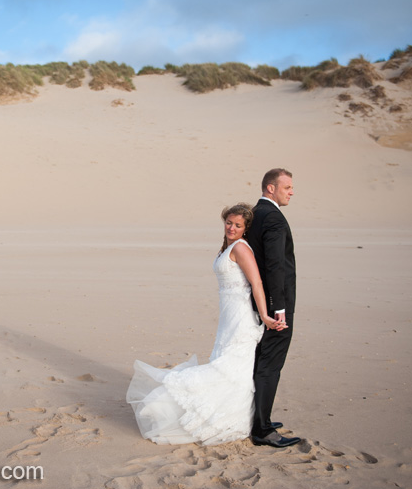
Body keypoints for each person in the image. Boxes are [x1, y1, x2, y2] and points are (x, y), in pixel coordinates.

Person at [126, 203, 286, 445]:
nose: (232, 228)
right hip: (229, 315)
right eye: (229, 222)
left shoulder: (242, 248)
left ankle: (235, 417)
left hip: (242, 316)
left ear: (246, 228)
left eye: (238, 225)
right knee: (226, 361)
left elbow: (257, 284)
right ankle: (240, 415)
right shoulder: (229, 246)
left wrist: (264, 316)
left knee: (232, 366)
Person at [244, 168, 301, 448]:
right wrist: (279, 308)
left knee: (260, 361)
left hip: (257, 303)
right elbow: (275, 266)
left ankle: (258, 417)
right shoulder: (274, 218)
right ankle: (263, 430)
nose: (291, 192)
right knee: (270, 364)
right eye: (287, 187)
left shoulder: (255, 214)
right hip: (275, 305)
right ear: (270, 188)